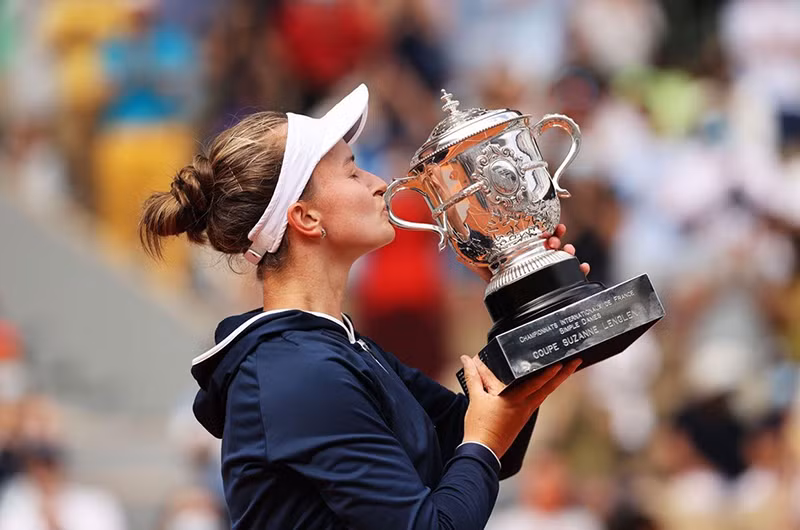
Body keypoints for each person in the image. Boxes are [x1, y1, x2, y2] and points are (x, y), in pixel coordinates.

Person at [139, 84, 586, 529]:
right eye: (354, 172)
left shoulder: (331, 347)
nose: (378, 184)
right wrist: (484, 441)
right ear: (306, 218)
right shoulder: (298, 370)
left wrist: (523, 294)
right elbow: (451, 495)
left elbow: (461, 439)